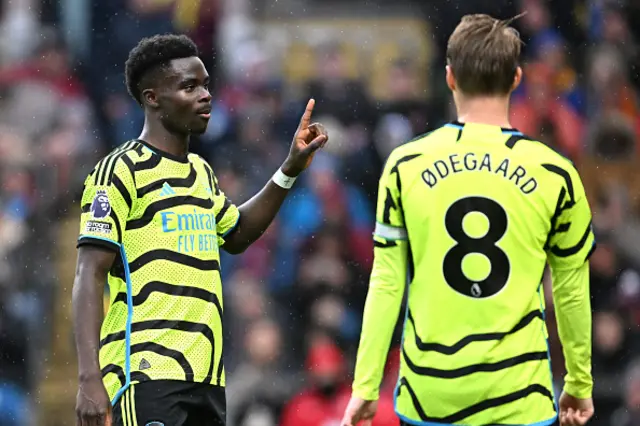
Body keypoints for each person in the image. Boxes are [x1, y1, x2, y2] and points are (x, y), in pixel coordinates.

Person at [341, 14, 595, 426]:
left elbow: (386, 283)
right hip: (520, 397)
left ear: (449, 77)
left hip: (430, 397)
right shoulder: (556, 173)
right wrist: (579, 384)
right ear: (516, 78)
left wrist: (365, 388)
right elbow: (570, 289)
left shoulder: (405, 165)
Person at [72, 34, 328, 426]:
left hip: (206, 379)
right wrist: (89, 377)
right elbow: (88, 274)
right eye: (189, 86)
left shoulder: (201, 174)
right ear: (152, 97)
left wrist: (288, 170)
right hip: (145, 373)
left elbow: (238, 233)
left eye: (206, 84)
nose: (205, 95)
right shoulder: (120, 170)